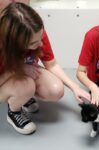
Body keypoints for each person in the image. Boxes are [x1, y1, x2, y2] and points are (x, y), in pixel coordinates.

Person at [0, 2, 90, 134]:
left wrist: (75, 88)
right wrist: (18, 69)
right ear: (14, 41)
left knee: (55, 90)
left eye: (40, 38)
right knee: (27, 85)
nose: (40, 44)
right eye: (33, 43)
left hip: (22, 73)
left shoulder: (35, 30)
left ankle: (22, 96)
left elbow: (51, 64)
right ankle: (14, 111)